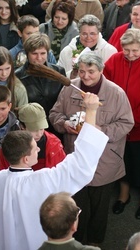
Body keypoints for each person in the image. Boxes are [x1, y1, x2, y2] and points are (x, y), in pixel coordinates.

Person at [0, 93, 109, 250]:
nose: (38, 147)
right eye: (33, 148)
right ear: (25, 159)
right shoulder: (41, 181)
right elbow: (80, 164)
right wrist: (91, 111)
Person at [49, 52, 134, 245]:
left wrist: (100, 131)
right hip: (75, 158)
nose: (86, 76)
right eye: (82, 71)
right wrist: (64, 124)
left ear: (101, 70)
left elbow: (127, 123)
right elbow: (55, 113)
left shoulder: (116, 93)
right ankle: (75, 243)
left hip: (103, 161)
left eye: (91, 72)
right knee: (76, 206)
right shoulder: (69, 89)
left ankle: (95, 244)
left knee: (99, 208)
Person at [104, 28, 140, 220]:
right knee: (122, 161)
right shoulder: (113, 61)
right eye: (127, 50)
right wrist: (118, 121)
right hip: (119, 124)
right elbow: (106, 88)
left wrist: (131, 122)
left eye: (135, 50)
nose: (130, 54)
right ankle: (123, 195)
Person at [15, 33, 65, 137]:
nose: (39, 58)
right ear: (27, 53)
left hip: (56, 127)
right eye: (34, 53)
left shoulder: (59, 71)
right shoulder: (17, 76)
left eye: (43, 53)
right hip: (32, 130)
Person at [0, 102, 66, 170]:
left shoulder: (55, 144)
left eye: (41, 128)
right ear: (22, 126)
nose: (39, 134)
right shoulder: (9, 147)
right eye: (33, 130)